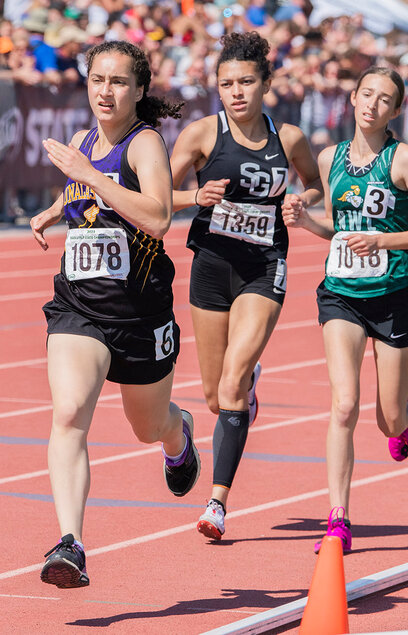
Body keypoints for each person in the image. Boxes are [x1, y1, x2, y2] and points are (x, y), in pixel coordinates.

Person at [30, 40, 197, 588]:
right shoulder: (82, 140)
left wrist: (91, 175)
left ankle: (180, 435)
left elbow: (159, 217)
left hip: (139, 312)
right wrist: (56, 209)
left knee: (147, 426)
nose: (106, 91)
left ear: (138, 89)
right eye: (98, 79)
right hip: (79, 304)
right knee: (70, 411)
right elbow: (82, 193)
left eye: (119, 81)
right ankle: (70, 544)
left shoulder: (144, 144)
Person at [283, 66, 408, 553]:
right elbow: (339, 224)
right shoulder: (330, 156)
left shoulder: (405, 160)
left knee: (388, 419)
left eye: (384, 99)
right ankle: (338, 518)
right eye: (366, 95)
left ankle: (405, 412)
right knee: (344, 403)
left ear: (395, 110)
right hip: (342, 293)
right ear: (353, 99)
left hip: (396, 294)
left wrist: (383, 239)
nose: (372, 105)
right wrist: (308, 222)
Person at [169, 31, 322, 541]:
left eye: (246, 82)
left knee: (231, 384)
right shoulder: (201, 135)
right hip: (211, 265)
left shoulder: (290, 138)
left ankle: (217, 504)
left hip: (264, 266)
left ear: (266, 84)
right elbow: (157, 196)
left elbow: (312, 181)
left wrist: (302, 202)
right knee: (215, 397)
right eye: (226, 83)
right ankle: (245, 385)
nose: (236, 92)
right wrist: (194, 194)